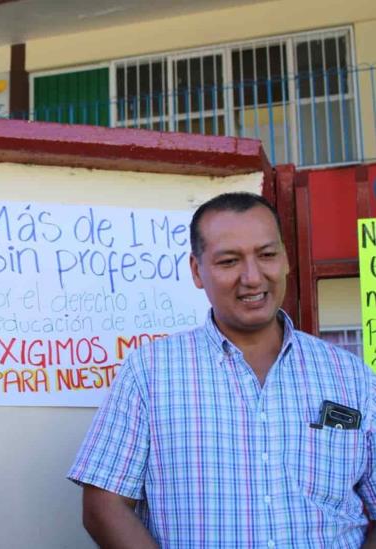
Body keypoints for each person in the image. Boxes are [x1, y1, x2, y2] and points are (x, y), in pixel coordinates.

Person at [68, 192, 376, 548]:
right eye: (229, 261)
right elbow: (104, 504)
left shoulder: (350, 376)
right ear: (197, 272)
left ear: (286, 259)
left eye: (267, 255)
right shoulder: (151, 372)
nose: (252, 277)